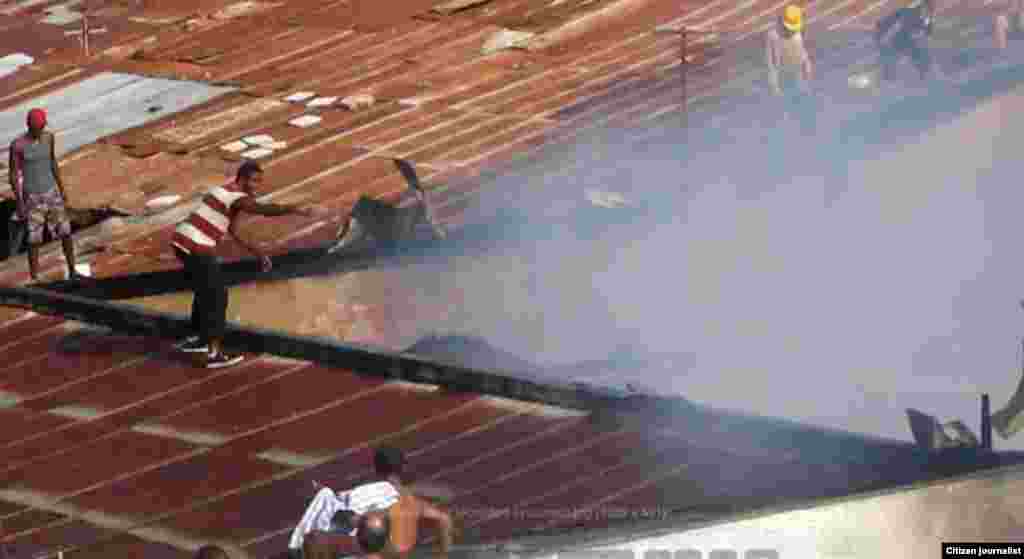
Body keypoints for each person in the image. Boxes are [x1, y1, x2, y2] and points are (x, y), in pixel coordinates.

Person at [171, 160, 324, 368]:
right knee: (217, 295)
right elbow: (263, 209)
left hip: (180, 241)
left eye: (259, 181)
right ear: (241, 178)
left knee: (204, 289)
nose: (256, 186)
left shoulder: (222, 191)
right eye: (253, 181)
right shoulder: (236, 197)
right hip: (197, 244)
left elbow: (233, 230)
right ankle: (213, 353)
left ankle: (199, 339)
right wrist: (297, 209)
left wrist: (257, 252)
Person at [293, 446, 455, 559]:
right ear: (402, 468)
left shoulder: (368, 495)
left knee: (316, 536)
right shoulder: (412, 502)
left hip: (373, 551)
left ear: (376, 468)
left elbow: (350, 519)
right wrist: (442, 556)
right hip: (396, 554)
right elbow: (444, 520)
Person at [7, 108, 82, 282]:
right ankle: (35, 277)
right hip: (32, 197)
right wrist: (19, 202)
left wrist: (62, 188)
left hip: (52, 192)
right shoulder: (17, 146)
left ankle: (73, 271)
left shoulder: (49, 138)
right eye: (37, 128)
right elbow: (13, 174)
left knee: (65, 231)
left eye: (42, 126)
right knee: (34, 239)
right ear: (30, 126)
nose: (40, 130)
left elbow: (52, 161)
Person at [328, 159, 447, 254]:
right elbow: (428, 215)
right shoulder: (407, 230)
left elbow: (428, 216)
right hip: (394, 232)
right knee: (419, 199)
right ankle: (351, 232)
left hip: (392, 232)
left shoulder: (398, 234)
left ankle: (350, 233)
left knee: (365, 210)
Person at [765, 5, 817, 134]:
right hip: (783, 77)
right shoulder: (773, 36)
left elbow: (802, 54)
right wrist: (773, 81)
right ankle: (786, 127)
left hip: (796, 76)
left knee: (797, 103)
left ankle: (799, 125)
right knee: (783, 107)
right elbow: (770, 60)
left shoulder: (797, 35)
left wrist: (807, 66)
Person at [875, 0, 941, 84]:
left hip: (902, 36)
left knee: (917, 26)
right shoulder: (907, 48)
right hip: (903, 36)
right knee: (921, 29)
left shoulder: (894, 52)